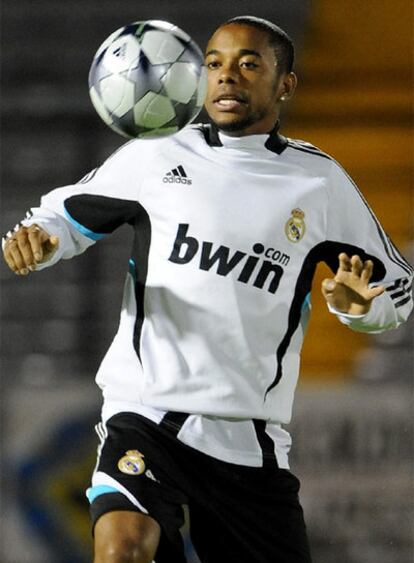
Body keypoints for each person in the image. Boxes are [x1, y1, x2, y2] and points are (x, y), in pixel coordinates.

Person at [3, 15, 413, 563]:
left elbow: (397, 291)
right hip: (146, 416)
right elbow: (65, 215)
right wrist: (39, 238)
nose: (227, 77)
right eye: (215, 64)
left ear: (285, 83)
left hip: (249, 443)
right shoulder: (159, 154)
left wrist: (361, 308)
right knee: (121, 549)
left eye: (249, 64)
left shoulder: (319, 184)